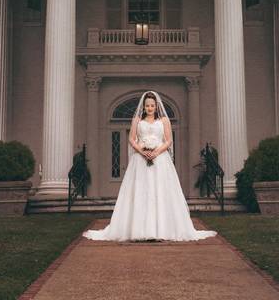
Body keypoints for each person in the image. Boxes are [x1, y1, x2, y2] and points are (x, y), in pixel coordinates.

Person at [83, 90, 216, 242]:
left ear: (156, 106)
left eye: (152, 105)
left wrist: (156, 152)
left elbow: (168, 140)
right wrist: (142, 151)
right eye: (147, 105)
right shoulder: (137, 121)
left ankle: (161, 229)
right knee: (141, 191)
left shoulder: (164, 120)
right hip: (140, 161)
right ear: (144, 106)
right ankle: (139, 229)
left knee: (159, 191)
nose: (150, 108)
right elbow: (132, 140)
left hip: (160, 160)